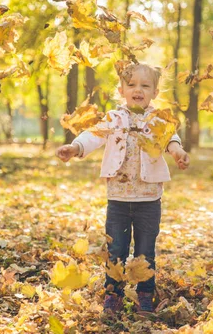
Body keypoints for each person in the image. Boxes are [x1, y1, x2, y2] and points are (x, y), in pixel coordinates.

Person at [56, 63, 190, 315]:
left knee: (145, 251)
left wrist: (178, 153)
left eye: (145, 85)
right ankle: (113, 295)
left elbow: (170, 139)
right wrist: (74, 148)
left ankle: (145, 296)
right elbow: (93, 135)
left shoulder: (159, 118)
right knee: (116, 249)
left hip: (149, 199)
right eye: (131, 85)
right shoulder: (113, 118)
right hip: (117, 198)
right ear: (122, 90)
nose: (137, 90)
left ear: (155, 91)